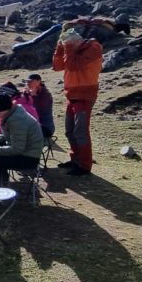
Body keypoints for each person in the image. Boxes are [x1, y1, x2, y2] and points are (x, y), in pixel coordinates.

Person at [52, 29, 103, 176]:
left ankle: (85, 166)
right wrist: (60, 48)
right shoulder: (72, 52)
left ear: (76, 41)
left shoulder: (93, 48)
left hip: (85, 95)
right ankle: (75, 160)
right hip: (72, 95)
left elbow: (74, 66)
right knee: (70, 131)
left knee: (80, 132)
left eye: (68, 43)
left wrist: (68, 48)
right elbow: (57, 66)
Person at [25, 74, 55, 139]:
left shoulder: (45, 94)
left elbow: (38, 111)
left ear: (38, 82)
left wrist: (33, 96)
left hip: (45, 127)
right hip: (34, 126)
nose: (28, 83)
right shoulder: (27, 93)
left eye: (30, 81)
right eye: (27, 81)